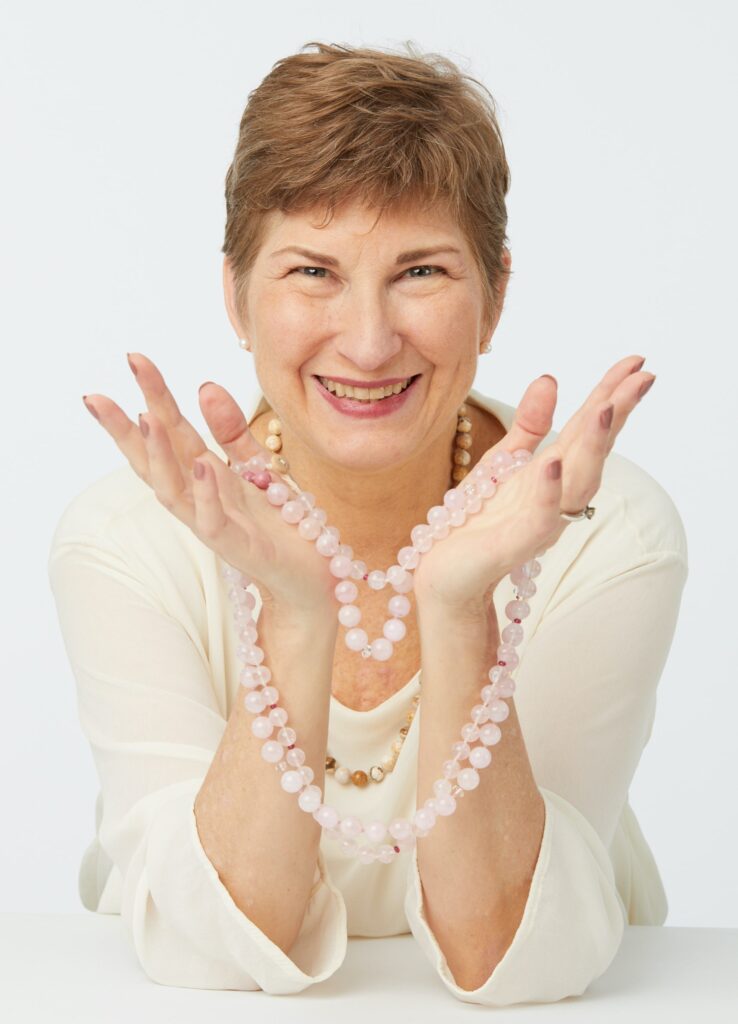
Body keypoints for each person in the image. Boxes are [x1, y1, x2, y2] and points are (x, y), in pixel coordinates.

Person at [47, 41, 688, 1006]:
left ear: (495, 297)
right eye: (313, 271)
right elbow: (215, 949)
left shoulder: (603, 528)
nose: (369, 340)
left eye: (420, 271)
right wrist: (298, 612)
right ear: (235, 295)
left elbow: (511, 955)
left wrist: (457, 611)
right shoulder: (126, 540)